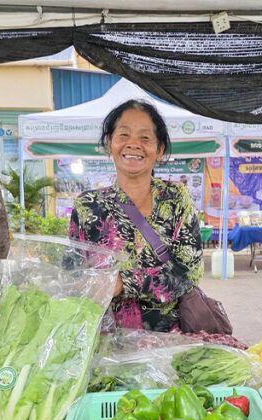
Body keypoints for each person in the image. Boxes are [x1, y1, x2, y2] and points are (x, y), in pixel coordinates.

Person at [68, 99, 204, 332]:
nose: (133, 144)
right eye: (123, 135)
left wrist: (124, 282)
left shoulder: (176, 198)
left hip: (168, 338)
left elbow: (189, 273)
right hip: (104, 338)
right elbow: (72, 273)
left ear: (159, 150)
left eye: (145, 137)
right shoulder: (88, 205)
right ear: (109, 144)